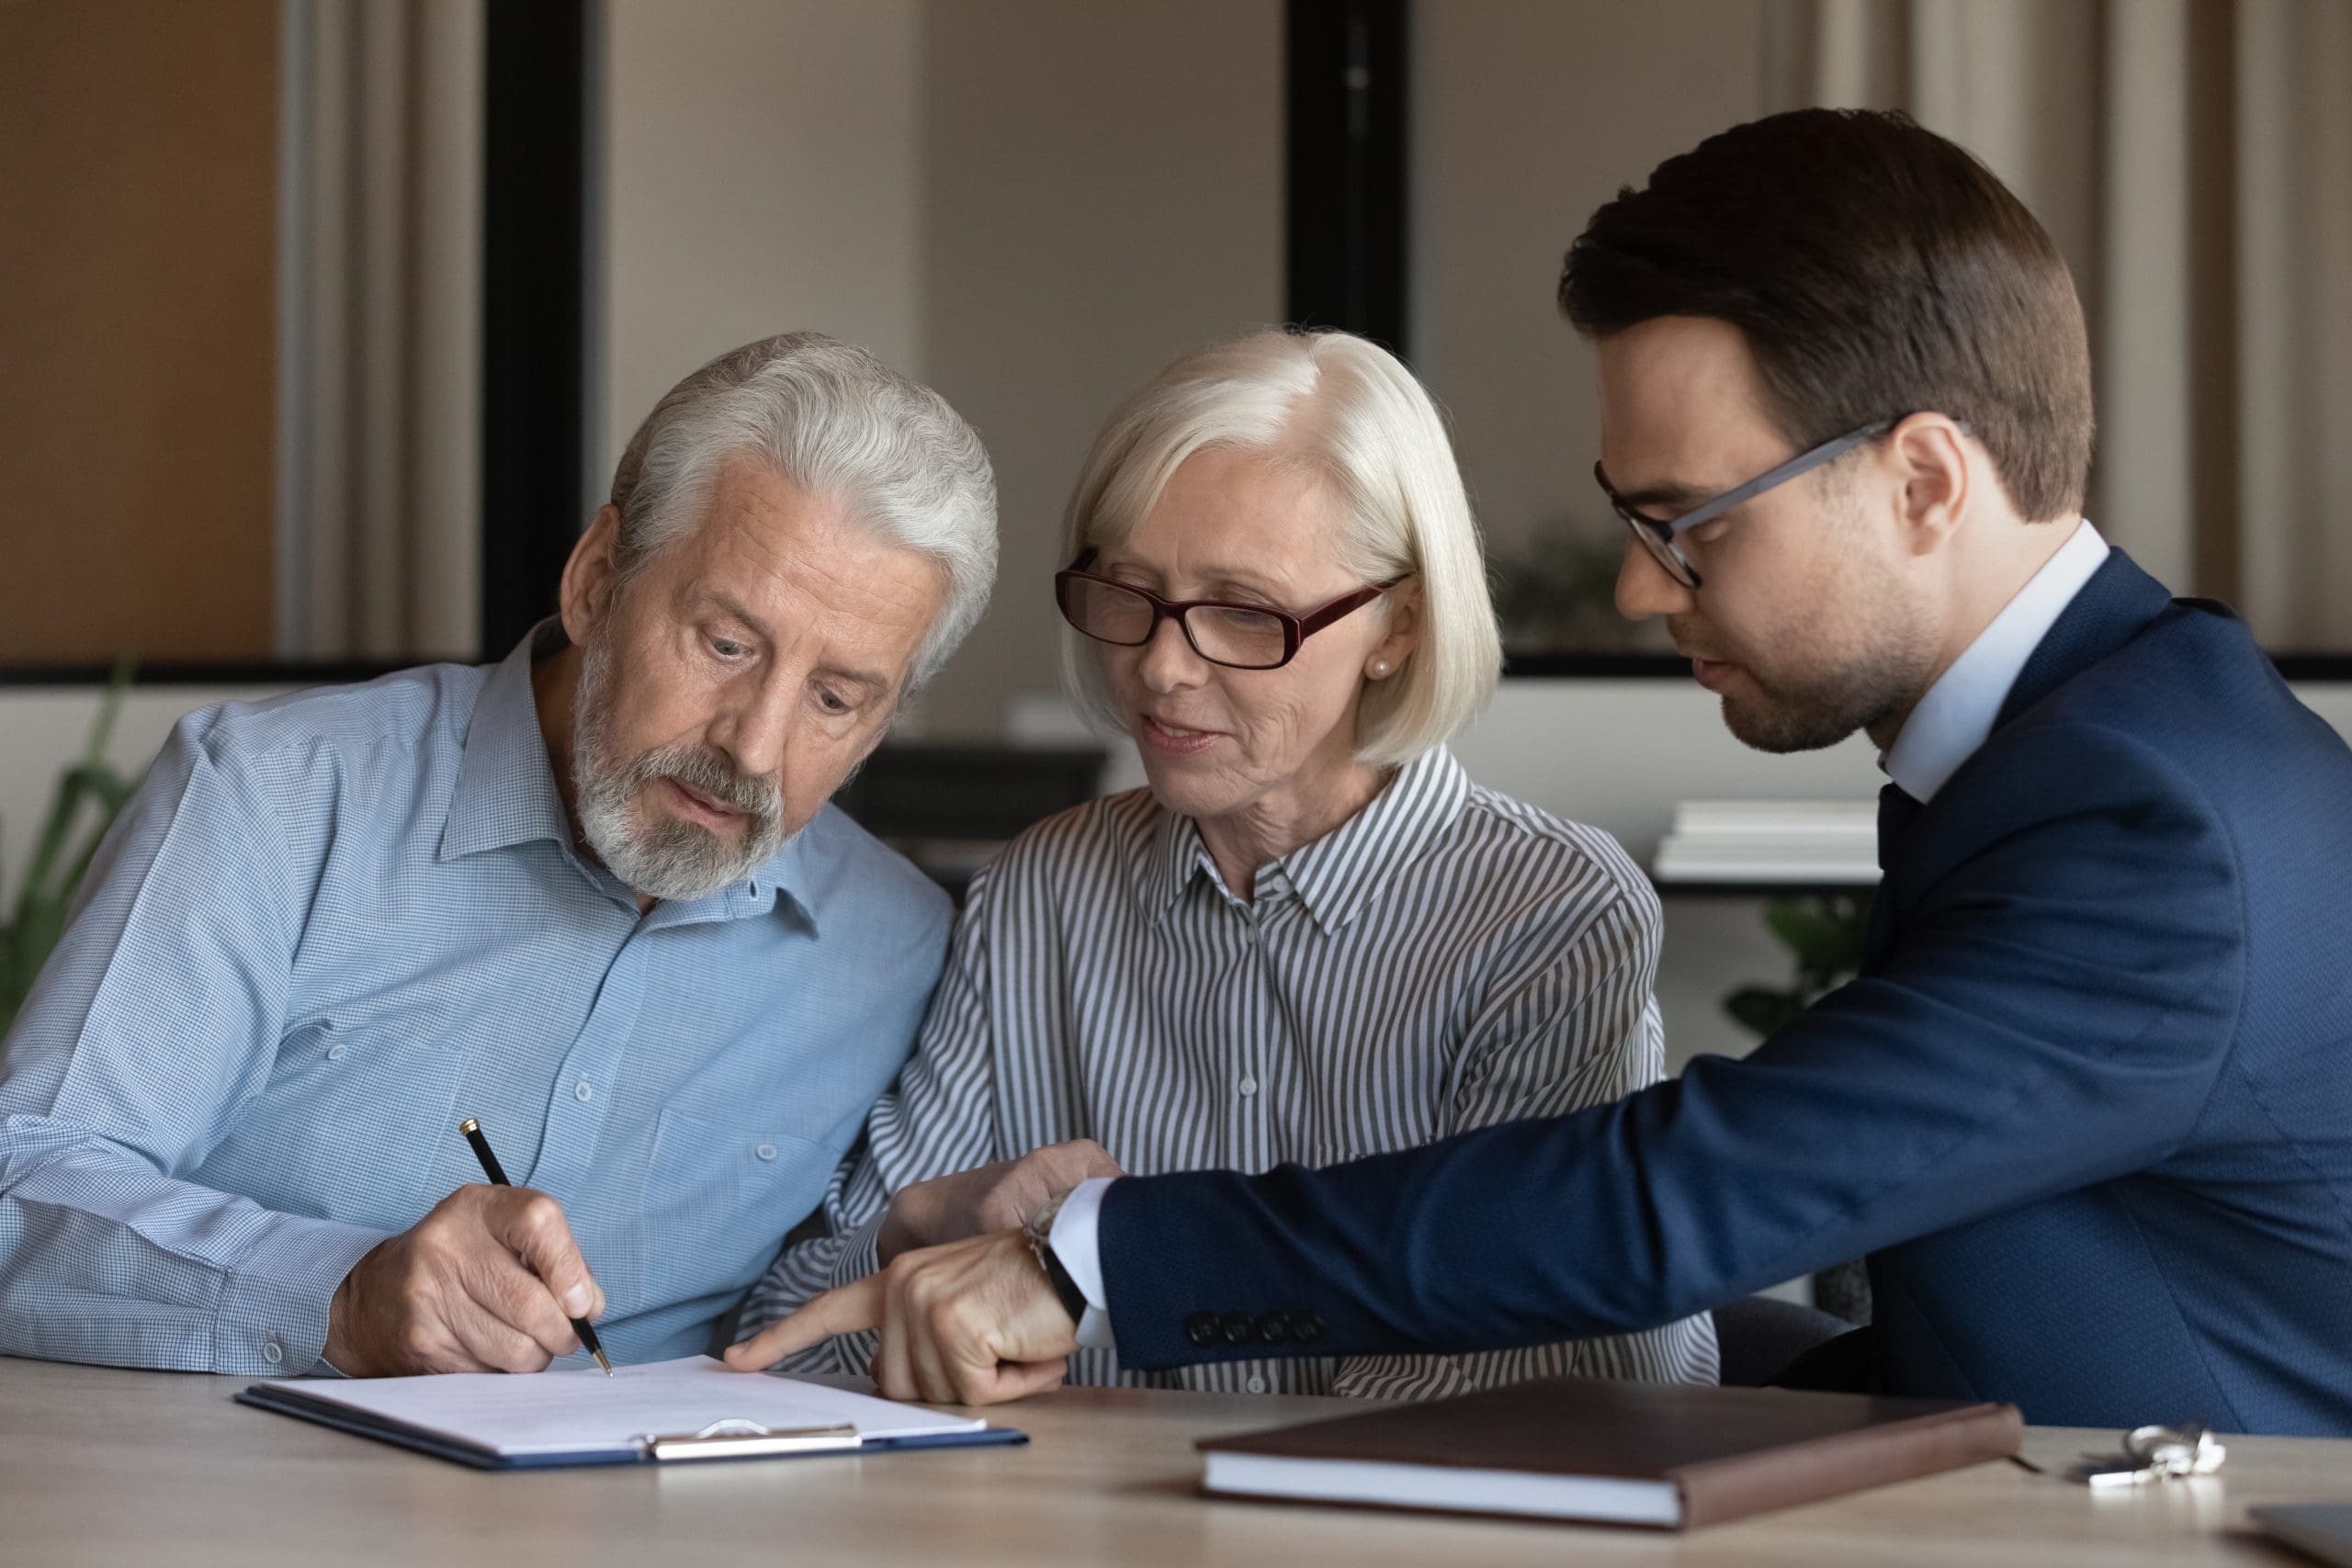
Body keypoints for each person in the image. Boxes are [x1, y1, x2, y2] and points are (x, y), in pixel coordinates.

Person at [738, 111, 2352, 1437]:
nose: (1646, 590)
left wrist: (1096, 1262)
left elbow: (1682, 1201)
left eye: (1695, 524)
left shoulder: (2154, 826)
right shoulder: (2101, 741)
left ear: (1924, 479)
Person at [727, 330, 1715, 1397]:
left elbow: (1526, 1374)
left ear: (1399, 624)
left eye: (1243, 614)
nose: (1157, 667)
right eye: (1130, 593)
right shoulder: (1041, 895)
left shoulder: (1546, 916)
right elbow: (793, 1340)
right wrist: (914, 1231)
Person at [0, 333, 997, 1376]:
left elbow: (797, 1334)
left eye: (834, 699)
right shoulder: (274, 798)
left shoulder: (900, 950)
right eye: (725, 645)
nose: (752, 748)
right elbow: (23, 1191)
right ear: (597, 580)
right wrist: (338, 1299)